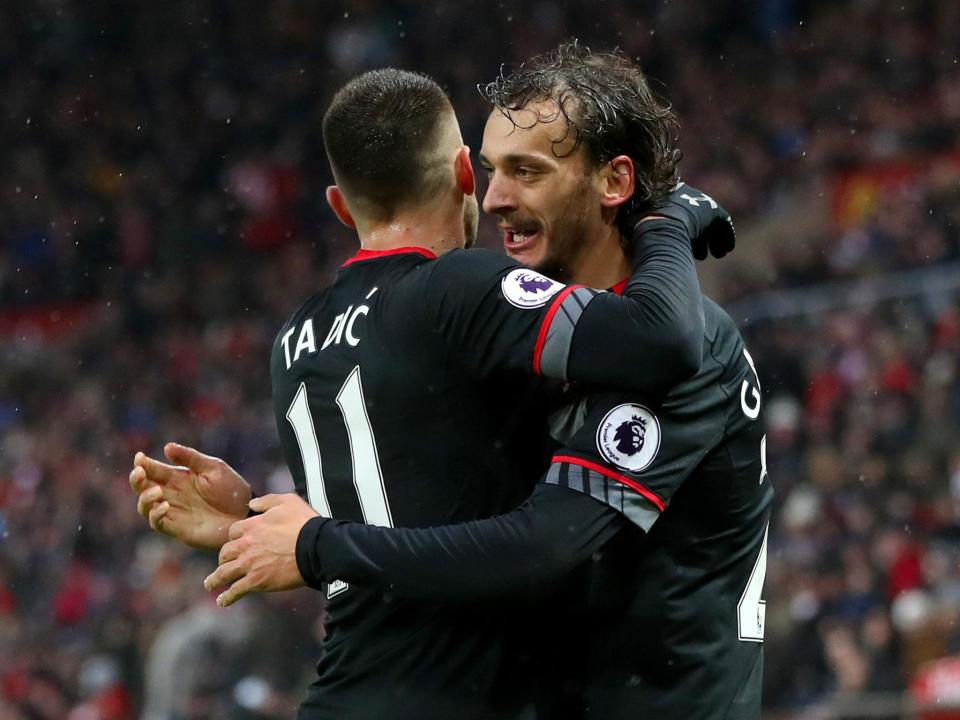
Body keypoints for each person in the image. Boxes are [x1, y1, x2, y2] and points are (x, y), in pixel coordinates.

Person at [132, 47, 734, 719]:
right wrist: (669, 219)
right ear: (461, 175)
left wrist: (250, 520)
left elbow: (401, 501)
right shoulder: (457, 288)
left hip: (341, 695)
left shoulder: (294, 338)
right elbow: (657, 338)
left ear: (339, 205)